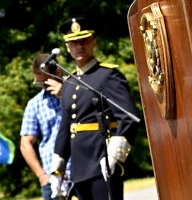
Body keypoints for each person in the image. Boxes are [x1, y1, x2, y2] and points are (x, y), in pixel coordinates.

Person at [50, 18, 140, 200]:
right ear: (67, 47)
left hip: (102, 163)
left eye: (84, 40)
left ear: (94, 42)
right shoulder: (68, 83)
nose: (79, 46)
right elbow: (65, 130)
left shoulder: (107, 75)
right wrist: (57, 170)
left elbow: (129, 117)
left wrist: (114, 156)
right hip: (79, 168)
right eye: (74, 42)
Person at [21, 53, 70, 200]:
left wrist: (65, 95)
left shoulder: (78, 91)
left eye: (46, 81)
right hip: (53, 179)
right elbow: (25, 144)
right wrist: (42, 176)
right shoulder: (34, 104)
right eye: (39, 83)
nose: (43, 86)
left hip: (82, 172)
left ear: (58, 72)